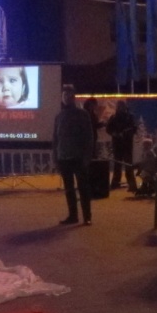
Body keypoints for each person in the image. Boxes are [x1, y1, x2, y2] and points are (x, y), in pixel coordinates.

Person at [52, 84, 95, 226]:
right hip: (63, 157)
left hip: (79, 157)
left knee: (83, 188)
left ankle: (87, 216)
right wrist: (56, 157)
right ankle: (73, 216)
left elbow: (89, 137)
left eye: (69, 95)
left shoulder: (82, 114)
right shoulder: (59, 116)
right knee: (69, 189)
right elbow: (55, 138)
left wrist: (87, 156)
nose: (66, 98)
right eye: (64, 95)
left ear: (74, 97)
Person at [106, 100, 138, 192]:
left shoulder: (129, 117)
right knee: (117, 165)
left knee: (128, 165)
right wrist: (115, 134)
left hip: (127, 143)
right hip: (117, 144)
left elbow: (134, 128)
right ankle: (115, 183)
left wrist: (126, 133)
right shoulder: (114, 117)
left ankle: (132, 185)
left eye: (122, 106)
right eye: (119, 106)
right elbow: (108, 129)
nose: (120, 108)